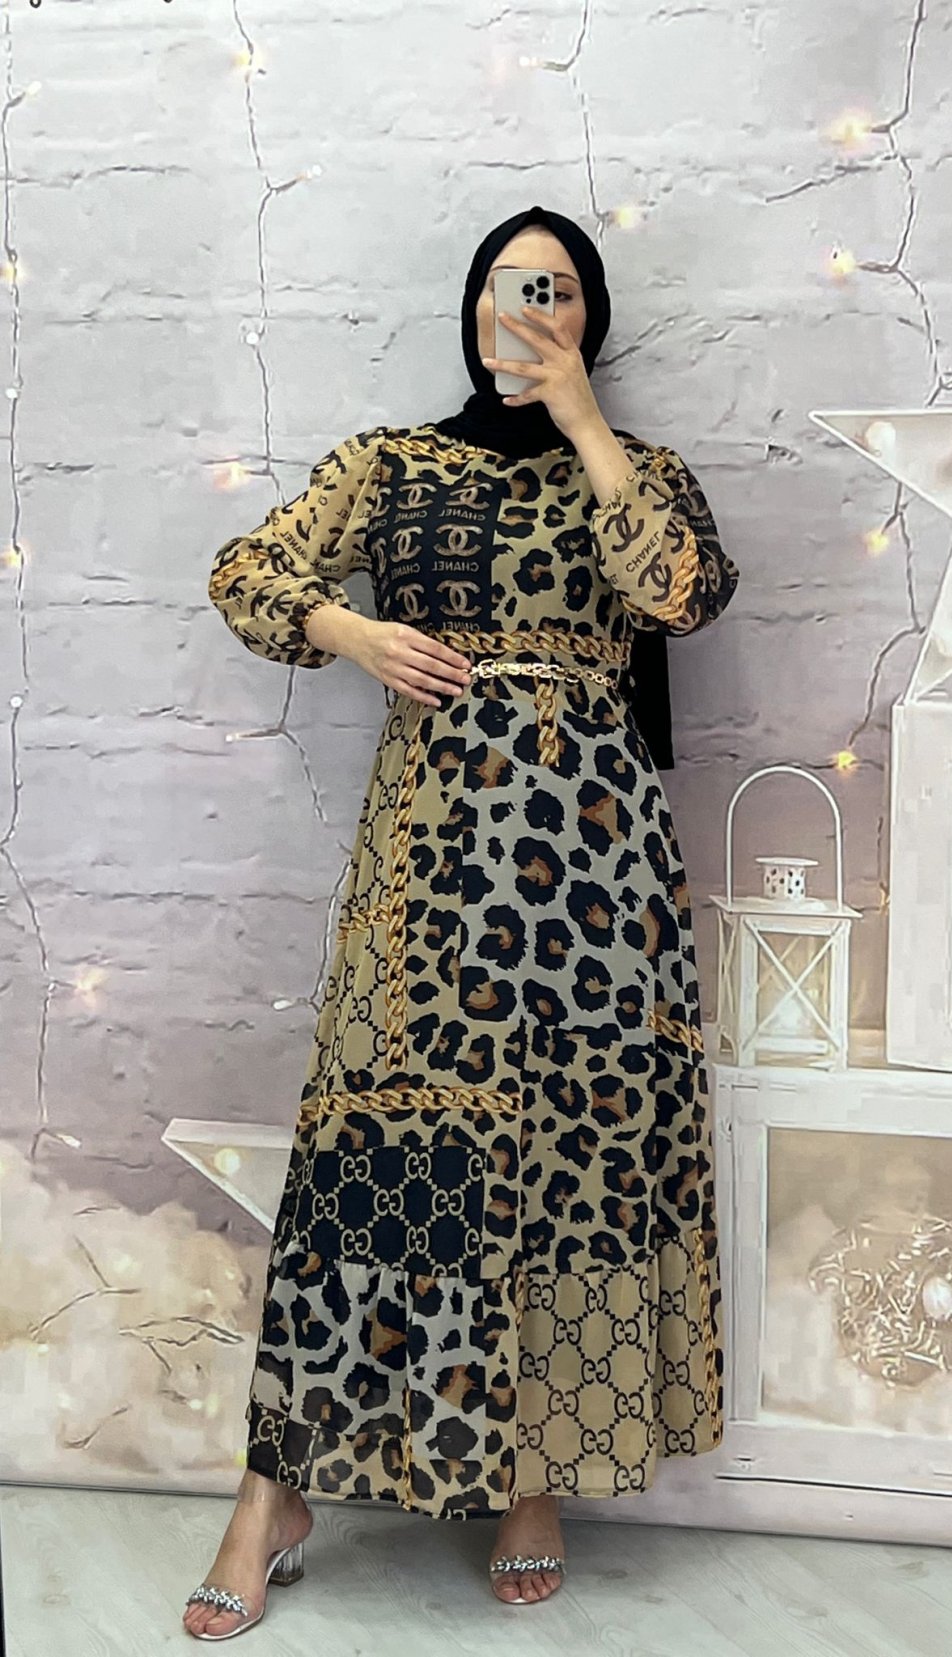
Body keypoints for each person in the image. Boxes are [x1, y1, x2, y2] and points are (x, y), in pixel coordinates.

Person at [184, 203, 739, 1639]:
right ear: (473, 306)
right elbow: (248, 572)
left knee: (573, 1161)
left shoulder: (640, 472)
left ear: (589, 316)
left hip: (598, 882)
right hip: (428, 874)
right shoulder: (390, 466)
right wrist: (351, 631)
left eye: (555, 289)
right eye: (507, 285)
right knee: (367, 1164)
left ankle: (533, 1478)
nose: (527, 307)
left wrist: (585, 420)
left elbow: (680, 592)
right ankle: (274, 1488)